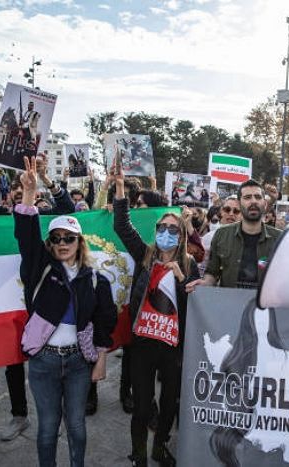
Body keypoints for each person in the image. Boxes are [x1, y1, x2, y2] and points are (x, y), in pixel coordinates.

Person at [0, 147, 75, 441]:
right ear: (8, 195)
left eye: (24, 187)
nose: (19, 191)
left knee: (53, 360)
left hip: (42, 301)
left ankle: (58, 414)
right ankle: (19, 416)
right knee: (12, 358)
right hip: (7, 301)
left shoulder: (47, 219)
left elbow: (69, 211)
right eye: (14, 188)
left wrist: (46, 179)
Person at [14, 156, 116, 467]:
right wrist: (29, 195)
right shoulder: (39, 268)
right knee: (47, 429)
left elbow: (104, 322)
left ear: (79, 241)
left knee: (77, 427)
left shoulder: (96, 278)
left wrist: (100, 361)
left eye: (69, 238)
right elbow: (26, 236)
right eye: (56, 238)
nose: (62, 243)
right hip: (43, 361)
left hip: (77, 363)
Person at [109, 160, 200, 467]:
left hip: (173, 347)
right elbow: (122, 226)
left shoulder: (190, 265)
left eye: (173, 229)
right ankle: (138, 454)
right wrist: (120, 187)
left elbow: (195, 303)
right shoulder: (145, 255)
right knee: (143, 405)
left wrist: (181, 278)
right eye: (162, 227)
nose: (166, 232)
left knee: (169, 403)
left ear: (181, 235)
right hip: (144, 344)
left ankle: (160, 446)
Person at [187, 179, 281, 290]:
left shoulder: (279, 239)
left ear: (264, 204)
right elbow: (212, 273)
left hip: (264, 305)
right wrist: (204, 284)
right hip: (230, 304)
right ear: (240, 204)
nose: (253, 201)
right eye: (247, 197)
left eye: (258, 197)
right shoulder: (221, 235)